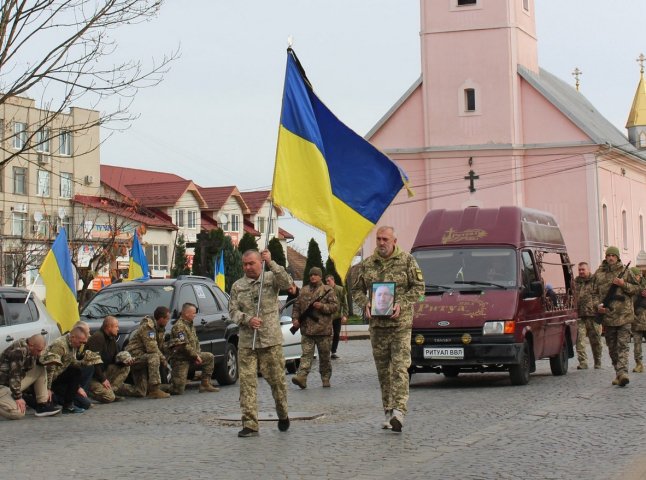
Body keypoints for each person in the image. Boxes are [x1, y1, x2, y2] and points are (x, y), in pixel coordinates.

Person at [351, 226, 424, 433]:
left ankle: (399, 412)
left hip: (400, 325)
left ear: (394, 240)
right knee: (384, 372)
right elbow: (356, 288)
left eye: (385, 239)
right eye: (378, 239)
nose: (381, 242)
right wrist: (364, 302)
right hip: (378, 327)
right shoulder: (367, 265)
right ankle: (388, 411)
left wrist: (402, 303)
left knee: (400, 368)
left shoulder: (407, 261)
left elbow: (419, 289)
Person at [229, 249, 293, 438]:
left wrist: (272, 263)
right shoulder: (237, 286)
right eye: (245, 264)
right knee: (247, 384)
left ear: (260, 262)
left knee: (277, 383)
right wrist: (247, 319)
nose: (248, 267)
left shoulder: (271, 278)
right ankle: (250, 424)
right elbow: (232, 311)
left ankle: (282, 413)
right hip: (248, 343)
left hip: (270, 341)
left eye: (252, 263)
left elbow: (288, 283)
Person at [593, 246, 640, 387]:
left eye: (614, 255)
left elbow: (637, 288)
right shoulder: (599, 273)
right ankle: (618, 373)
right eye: (609, 255)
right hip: (608, 317)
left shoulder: (625, 271)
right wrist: (597, 306)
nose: (611, 257)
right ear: (606, 257)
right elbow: (593, 293)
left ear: (618, 257)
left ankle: (623, 373)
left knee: (623, 345)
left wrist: (623, 284)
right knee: (612, 348)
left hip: (624, 316)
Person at [291, 267, 338, 389]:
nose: (313, 277)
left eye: (316, 275)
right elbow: (296, 307)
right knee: (306, 355)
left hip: (323, 330)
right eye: (311, 275)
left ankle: (325, 378)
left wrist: (322, 306)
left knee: (324, 357)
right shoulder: (304, 290)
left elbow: (335, 307)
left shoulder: (327, 290)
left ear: (320, 276)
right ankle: (301, 377)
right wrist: (295, 319)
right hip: (307, 330)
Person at [0, 334, 61, 419]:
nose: (39, 353)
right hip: (2, 386)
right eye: (38, 350)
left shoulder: (31, 348)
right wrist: (18, 397)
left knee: (40, 368)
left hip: (10, 383)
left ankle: (42, 405)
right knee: (18, 413)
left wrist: (48, 388)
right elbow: (14, 376)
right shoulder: (18, 352)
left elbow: (40, 364)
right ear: (31, 345)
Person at [167, 303, 219, 395]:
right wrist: (195, 356)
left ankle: (205, 384)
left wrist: (198, 354)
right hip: (181, 359)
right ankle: (156, 388)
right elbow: (184, 346)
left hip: (192, 356)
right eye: (194, 313)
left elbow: (196, 342)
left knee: (209, 357)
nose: (195, 315)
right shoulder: (179, 327)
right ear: (187, 314)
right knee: (177, 390)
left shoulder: (190, 325)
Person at [45, 325, 97, 413]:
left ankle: (68, 404)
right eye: (80, 342)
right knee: (75, 371)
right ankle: (59, 400)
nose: (81, 345)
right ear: (73, 337)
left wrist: (85, 362)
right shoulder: (60, 345)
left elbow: (72, 362)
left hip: (60, 375)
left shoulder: (73, 344)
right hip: (50, 379)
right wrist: (48, 388)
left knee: (85, 403)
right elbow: (50, 368)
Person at [122, 306, 171, 399]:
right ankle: (154, 390)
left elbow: (159, 346)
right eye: (167, 319)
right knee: (154, 357)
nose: (168, 321)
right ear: (161, 319)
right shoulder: (148, 327)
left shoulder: (159, 328)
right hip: (133, 357)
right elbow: (152, 349)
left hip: (143, 357)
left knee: (140, 391)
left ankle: (116, 388)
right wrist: (164, 360)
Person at [85, 316, 131, 403]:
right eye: (116, 326)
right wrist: (103, 379)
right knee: (109, 397)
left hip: (103, 371)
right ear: (109, 327)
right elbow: (94, 363)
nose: (118, 329)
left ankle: (111, 390)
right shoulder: (98, 338)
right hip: (92, 376)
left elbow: (115, 359)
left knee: (126, 367)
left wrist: (125, 362)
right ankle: (89, 392)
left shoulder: (111, 338)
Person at [574, 262, 603, 370]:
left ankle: (597, 361)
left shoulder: (595, 281)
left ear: (588, 269)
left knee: (596, 341)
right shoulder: (575, 282)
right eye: (579, 270)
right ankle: (583, 362)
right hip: (580, 316)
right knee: (579, 340)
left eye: (583, 269)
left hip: (593, 315)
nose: (581, 271)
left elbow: (601, 294)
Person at [325, 274, 348, 359]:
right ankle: (326, 351)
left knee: (336, 334)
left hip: (337, 316)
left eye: (329, 281)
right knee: (326, 334)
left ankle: (333, 351)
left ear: (333, 280)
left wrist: (345, 315)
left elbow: (345, 303)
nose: (327, 283)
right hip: (327, 317)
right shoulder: (324, 290)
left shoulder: (340, 289)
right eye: (326, 281)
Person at [630, 267, 646, 373]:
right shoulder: (629, 288)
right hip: (636, 320)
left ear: (639, 276)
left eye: (635, 276)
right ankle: (639, 363)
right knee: (637, 343)